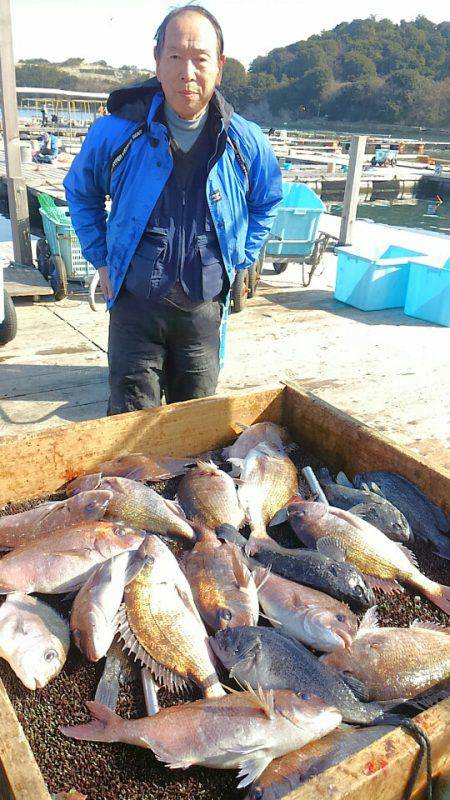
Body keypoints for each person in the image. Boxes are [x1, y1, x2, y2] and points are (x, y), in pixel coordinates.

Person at [64, 5, 282, 415]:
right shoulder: (115, 132)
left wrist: (241, 257)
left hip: (203, 310)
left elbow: (267, 199)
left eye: (200, 58)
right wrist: (102, 260)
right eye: (175, 57)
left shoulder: (246, 140)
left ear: (219, 66)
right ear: (157, 64)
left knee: (195, 428)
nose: (187, 72)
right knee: (128, 427)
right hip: (134, 307)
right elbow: (81, 192)